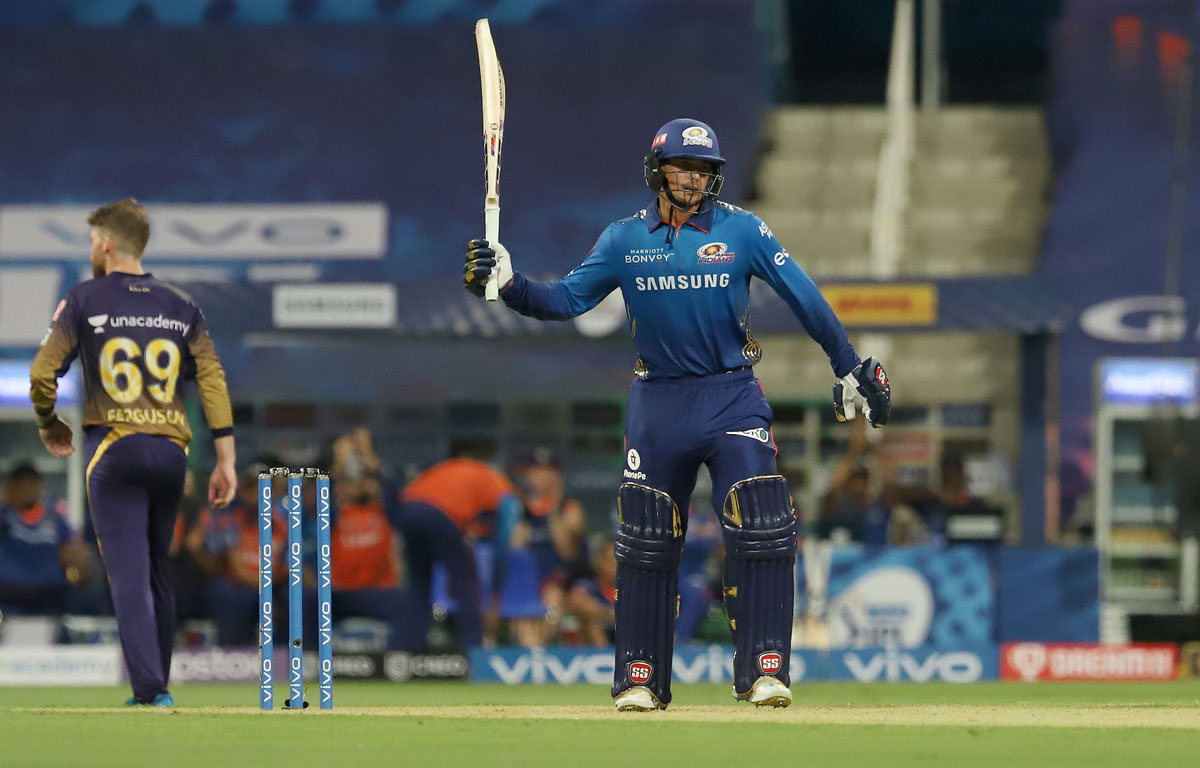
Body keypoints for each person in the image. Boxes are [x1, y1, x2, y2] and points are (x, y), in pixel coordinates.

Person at [463, 118, 890, 710]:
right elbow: (564, 300)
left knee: (763, 521)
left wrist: (847, 364)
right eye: (682, 167)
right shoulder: (622, 239)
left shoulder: (743, 230)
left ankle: (765, 669)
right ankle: (640, 677)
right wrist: (510, 284)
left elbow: (804, 295)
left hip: (731, 394)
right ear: (657, 170)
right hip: (658, 403)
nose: (692, 179)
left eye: (704, 169)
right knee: (645, 539)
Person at [29, 198, 236, 707]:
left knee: (128, 577)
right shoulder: (183, 305)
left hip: (116, 452)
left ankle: (150, 692)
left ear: (105, 243)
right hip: (171, 454)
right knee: (158, 573)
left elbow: (41, 373)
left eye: (91, 243)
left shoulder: (82, 299)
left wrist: (47, 421)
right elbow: (211, 380)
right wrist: (227, 458)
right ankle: (157, 683)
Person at [392, 455, 521, 651]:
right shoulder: (504, 491)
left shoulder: (474, 473)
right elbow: (501, 550)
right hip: (438, 513)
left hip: (406, 509)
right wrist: (495, 597)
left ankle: (408, 651)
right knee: (467, 582)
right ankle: (474, 652)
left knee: (419, 584)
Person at [0, 463, 92, 616]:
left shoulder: (55, 518)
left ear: (39, 486)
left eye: (30, 485)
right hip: (8, 593)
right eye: (20, 486)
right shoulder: (5, 516)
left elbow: (73, 549)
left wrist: (78, 563)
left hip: (50, 594)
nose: (26, 491)